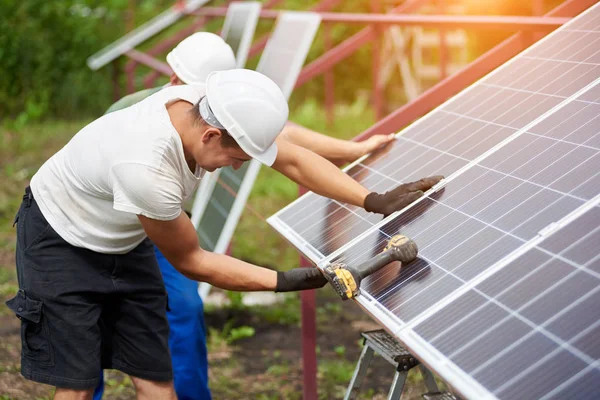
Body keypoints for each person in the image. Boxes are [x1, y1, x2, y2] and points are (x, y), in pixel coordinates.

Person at [8, 67, 441, 400]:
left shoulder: (209, 101)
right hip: (60, 239)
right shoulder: (146, 170)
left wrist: (373, 199)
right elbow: (193, 261)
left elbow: (290, 160)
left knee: (157, 380)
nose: (237, 166)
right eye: (236, 157)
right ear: (212, 133)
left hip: (122, 235)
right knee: (79, 382)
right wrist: (291, 280)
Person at [96, 32, 402, 400]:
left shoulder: (216, 109)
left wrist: (355, 152)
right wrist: (282, 279)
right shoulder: (135, 115)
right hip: (110, 227)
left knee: (185, 308)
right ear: (177, 79)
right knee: (87, 325)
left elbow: (282, 140)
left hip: (162, 230)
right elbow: (190, 256)